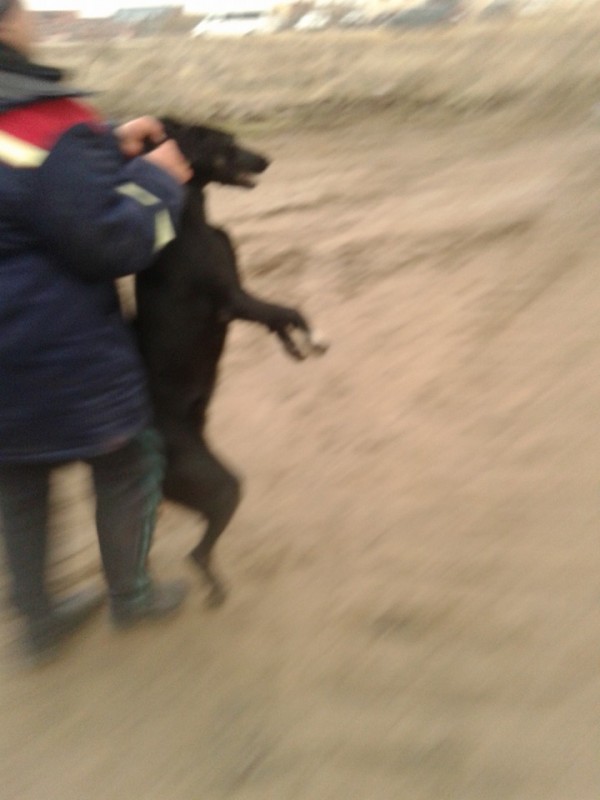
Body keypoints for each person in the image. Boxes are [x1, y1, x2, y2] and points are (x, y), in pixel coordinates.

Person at [0, 0, 194, 664]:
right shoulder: (51, 123)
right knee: (124, 463)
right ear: (6, 23)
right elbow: (110, 244)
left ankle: (39, 625)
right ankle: (131, 596)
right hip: (62, 352)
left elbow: (26, 185)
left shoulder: (55, 133)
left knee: (19, 485)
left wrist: (103, 141)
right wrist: (155, 182)